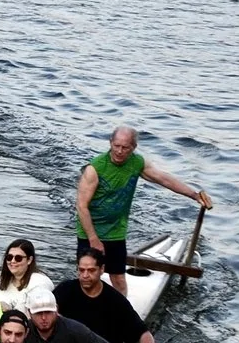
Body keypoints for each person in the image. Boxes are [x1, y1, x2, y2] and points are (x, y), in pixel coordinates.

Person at [75, 125, 211, 294]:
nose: (119, 151)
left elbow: (163, 179)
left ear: (133, 148)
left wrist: (194, 195)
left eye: (125, 148)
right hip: (90, 230)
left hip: (116, 231)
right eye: (116, 146)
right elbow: (81, 206)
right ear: (110, 143)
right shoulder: (94, 169)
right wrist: (93, 238)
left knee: (118, 276)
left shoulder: (137, 163)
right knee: (87, 275)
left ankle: (123, 311)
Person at [56, 244, 157, 343]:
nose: (85, 275)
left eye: (91, 270)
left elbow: (142, 332)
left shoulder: (116, 301)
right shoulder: (65, 289)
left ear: (102, 269)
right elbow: (49, 308)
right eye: (81, 270)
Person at [0, 239, 54, 317]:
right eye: (9, 257)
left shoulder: (40, 283)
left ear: (29, 260)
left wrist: (9, 312)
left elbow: (39, 317)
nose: (13, 261)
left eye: (18, 258)